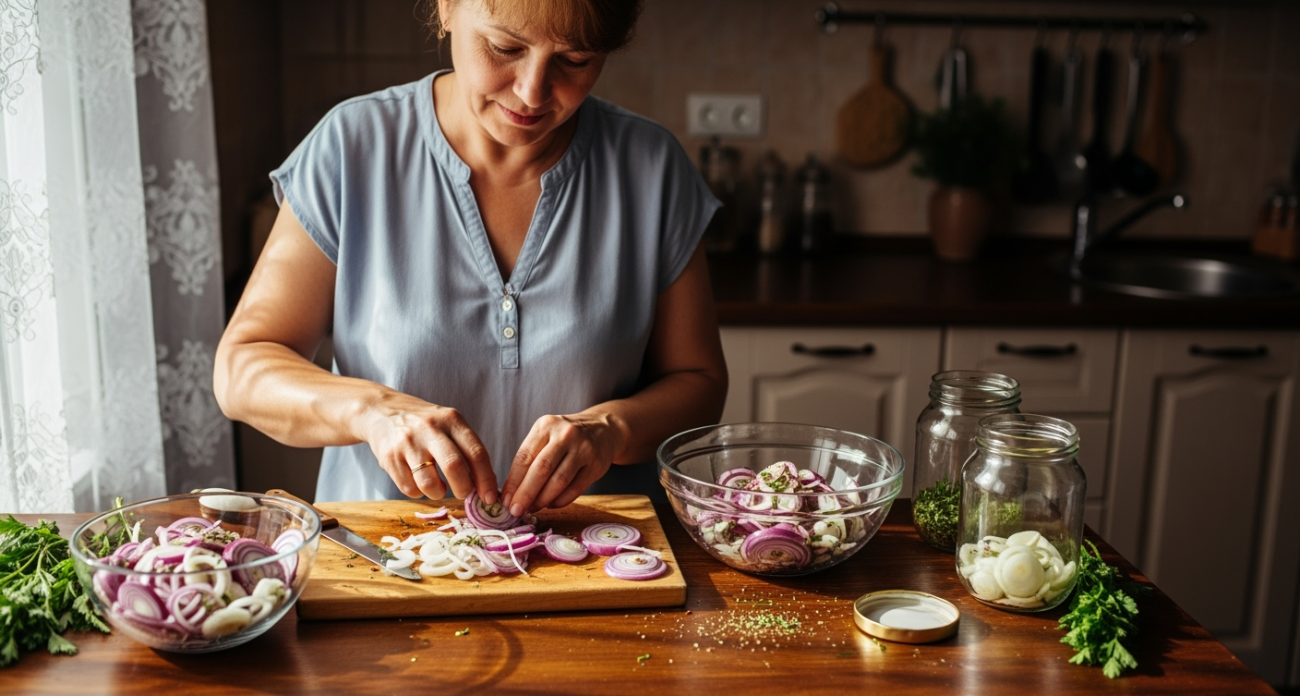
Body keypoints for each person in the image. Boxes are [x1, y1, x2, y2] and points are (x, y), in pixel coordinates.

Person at [213, 0, 728, 519]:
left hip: (606, 569)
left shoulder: (652, 169)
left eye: (574, 61)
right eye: (505, 48)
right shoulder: (352, 148)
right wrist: (372, 410)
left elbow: (699, 383)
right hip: (383, 563)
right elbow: (243, 366)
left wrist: (612, 430)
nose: (531, 92)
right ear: (447, 9)